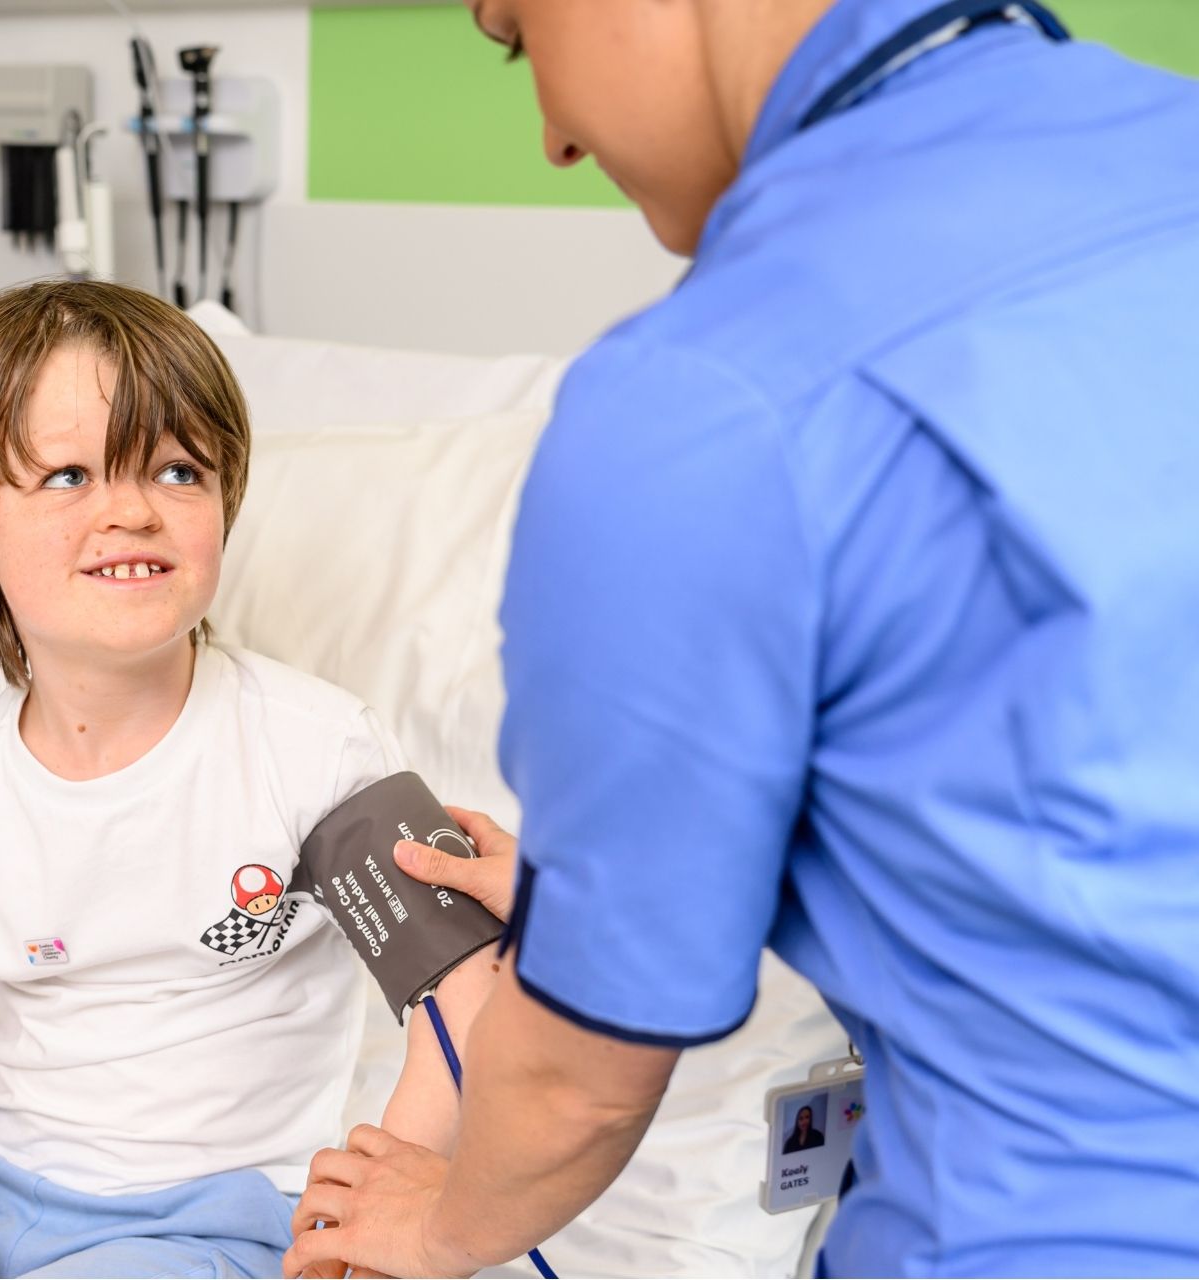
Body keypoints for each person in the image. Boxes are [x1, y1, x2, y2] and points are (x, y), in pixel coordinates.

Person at [283, 0, 1199, 1276]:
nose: (552, 135)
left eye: (511, 33)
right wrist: (596, 889)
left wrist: (435, 1225)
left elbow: (581, 1084)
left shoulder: (701, 403)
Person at [0, 280, 490, 1280]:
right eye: (68, 475)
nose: (132, 509)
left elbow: (463, 985)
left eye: (177, 469)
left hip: (210, 1229)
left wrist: (384, 1205)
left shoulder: (318, 749)